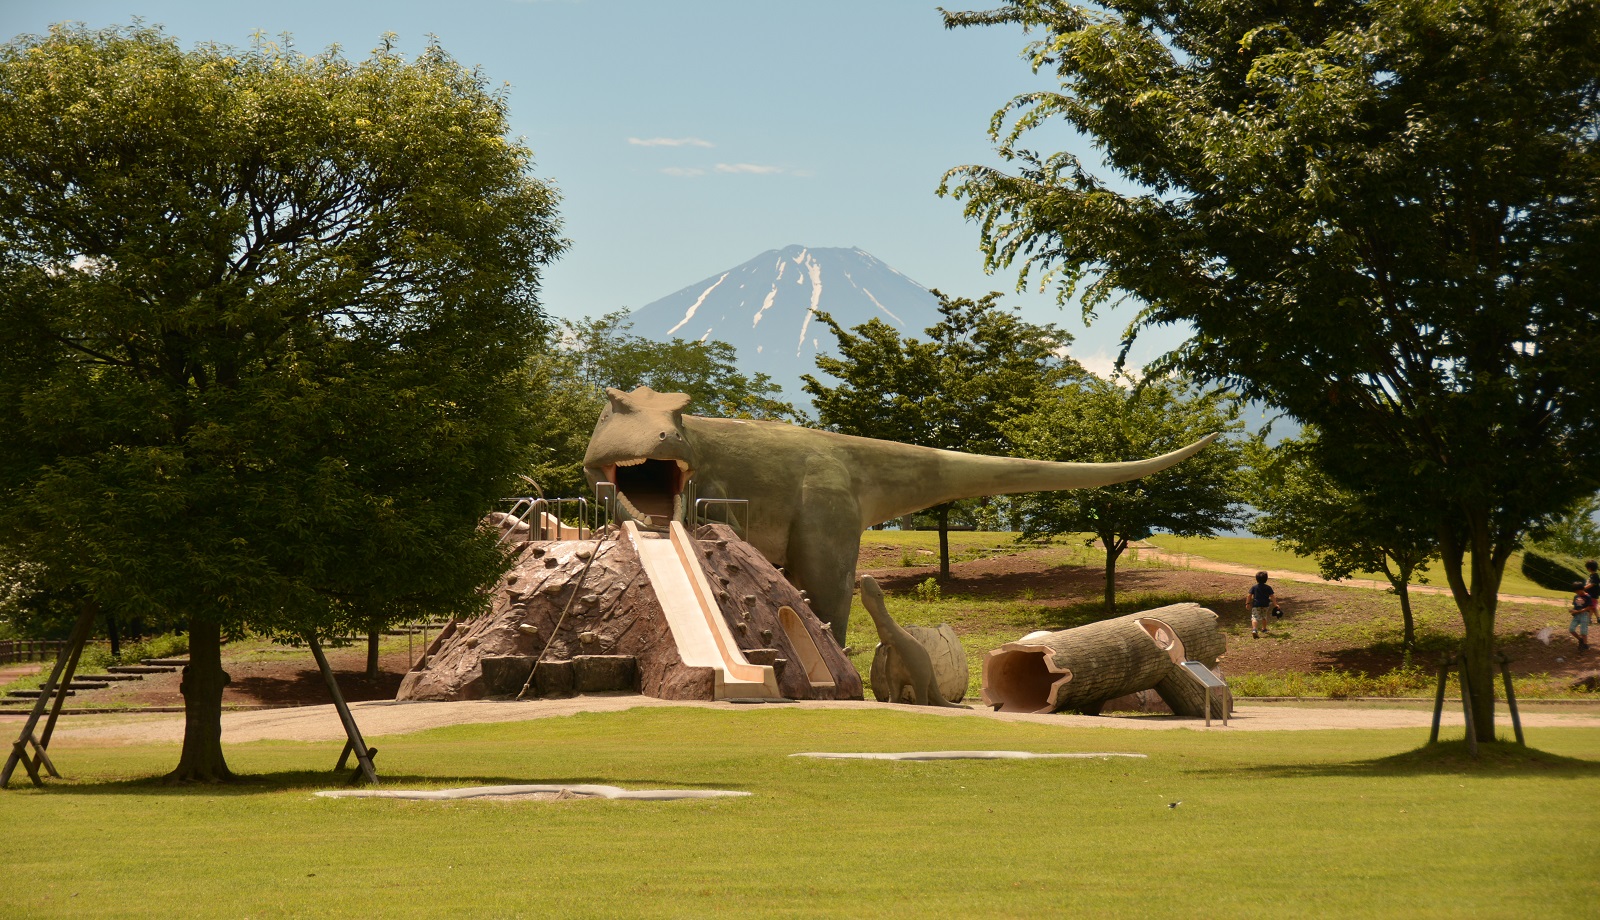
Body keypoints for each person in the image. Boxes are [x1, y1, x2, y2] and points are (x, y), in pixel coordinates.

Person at [1246, 571, 1275, 639]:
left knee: (1255, 617)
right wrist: (1275, 604)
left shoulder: (1254, 587)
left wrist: (1247, 603)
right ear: (1266, 579)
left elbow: (1249, 595)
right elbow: (1272, 596)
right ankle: (1264, 628)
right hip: (1265, 604)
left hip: (1256, 604)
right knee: (1264, 616)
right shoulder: (1268, 587)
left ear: (1256, 579)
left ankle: (1254, 629)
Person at [1570, 581, 1593, 653]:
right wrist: (1573, 611)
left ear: (1582, 589)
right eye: (1575, 592)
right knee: (1571, 629)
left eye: (1578, 591)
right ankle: (1580, 639)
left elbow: (1589, 607)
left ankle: (1585, 645)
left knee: (1583, 631)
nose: (1577, 593)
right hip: (1576, 615)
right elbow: (1575, 606)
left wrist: (1579, 611)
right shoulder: (1576, 596)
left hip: (1584, 615)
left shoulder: (1587, 596)